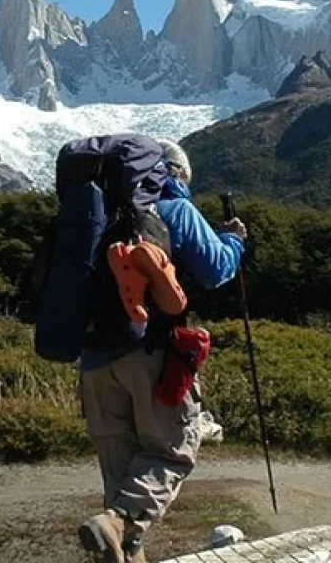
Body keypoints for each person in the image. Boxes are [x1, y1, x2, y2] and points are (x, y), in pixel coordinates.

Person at [78, 138, 247, 563]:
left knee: (121, 478)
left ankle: (119, 540)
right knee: (171, 450)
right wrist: (235, 243)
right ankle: (116, 524)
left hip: (95, 361)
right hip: (150, 351)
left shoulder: (94, 215)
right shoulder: (174, 208)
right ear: (172, 173)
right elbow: (215, 270)